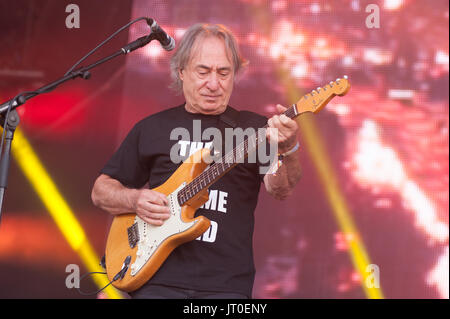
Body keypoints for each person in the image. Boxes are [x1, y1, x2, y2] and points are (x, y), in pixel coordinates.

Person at [91, 23, 302, 299]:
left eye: (224, 73)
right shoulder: (153, 128)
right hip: (156, 282)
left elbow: (281, 188)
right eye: (203, 71)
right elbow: (100, 191)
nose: (213, 84)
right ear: (181, 72)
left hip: (226, 287)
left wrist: (288, 147)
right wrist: (135, 200)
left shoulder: (255, 129)